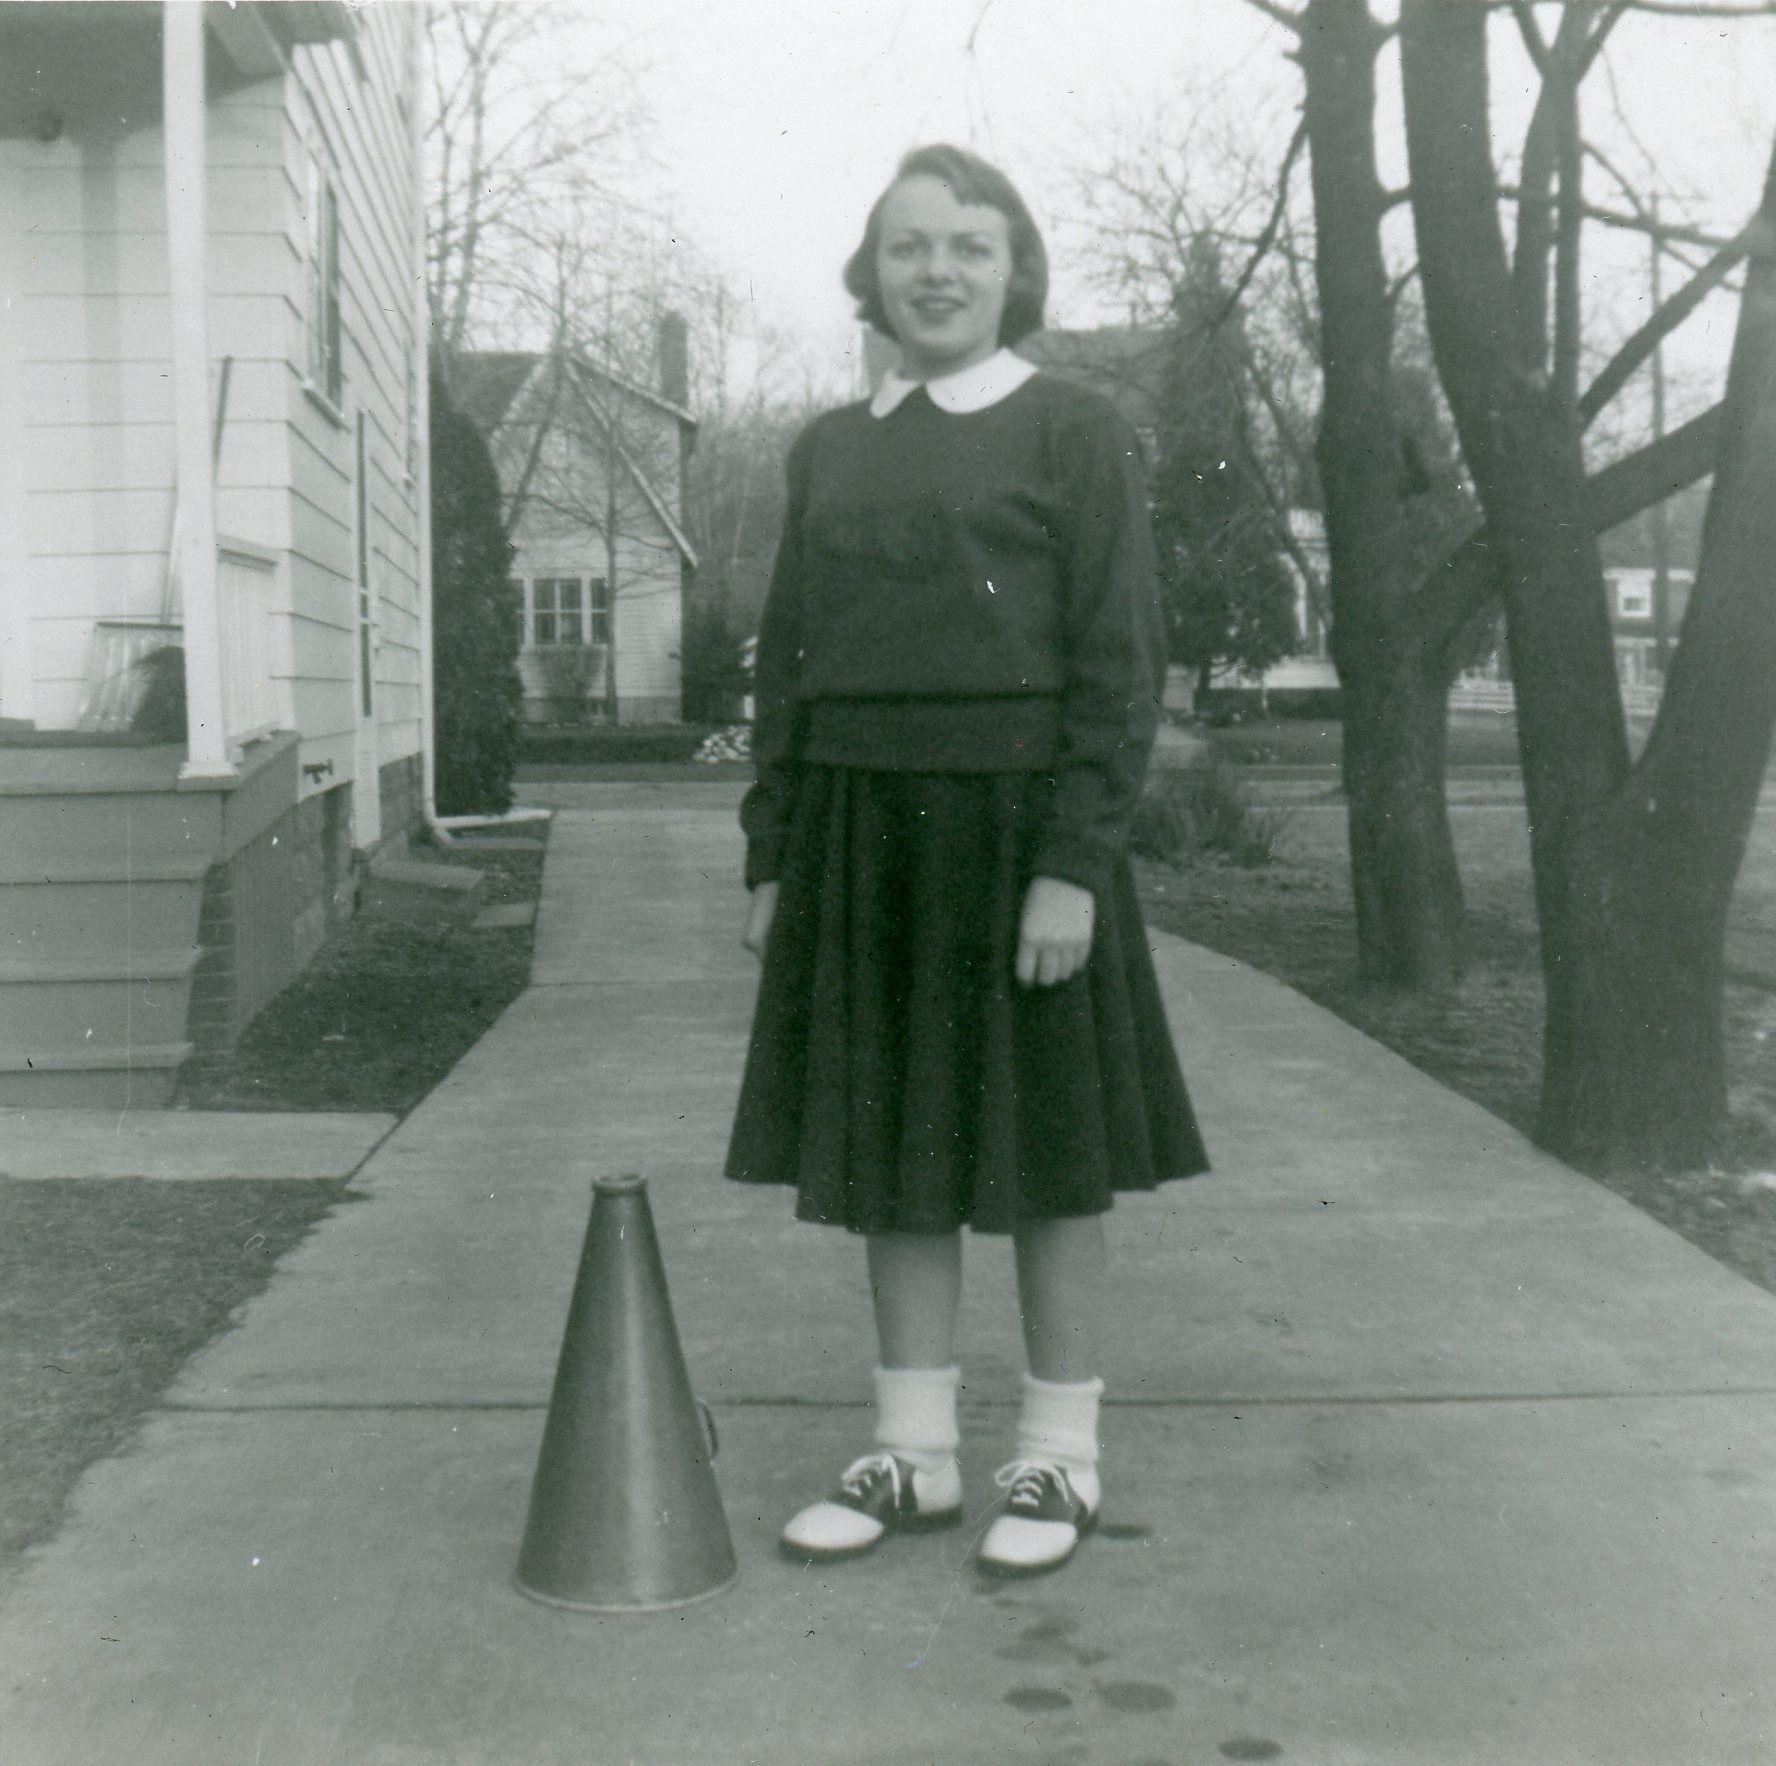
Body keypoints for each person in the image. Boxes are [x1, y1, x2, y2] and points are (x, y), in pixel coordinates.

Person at [725, 143, 1210, 1578]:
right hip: (863, 836)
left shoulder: (1074, 428)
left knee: (1050, 1152)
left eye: (970, 247)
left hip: (1020, 838)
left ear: (1014, 272)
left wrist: (1074, 861)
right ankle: (916, 1454)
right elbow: (787, 668)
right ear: (871, 271)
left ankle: (1060, 1458)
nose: (937, 271)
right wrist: (774, 854)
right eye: (910, 245)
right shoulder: (828, 447)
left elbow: (1120, 662)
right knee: (896, 1149)